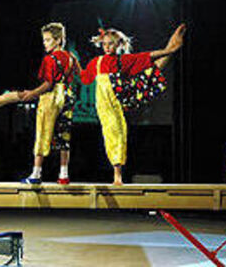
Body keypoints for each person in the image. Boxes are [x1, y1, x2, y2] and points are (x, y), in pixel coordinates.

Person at [79, 24, 186, 185]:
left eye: (111, 44)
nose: (107, 47)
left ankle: (171, 48)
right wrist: (73, 63)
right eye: (105, 44)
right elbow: (84, 78)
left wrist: (167, 51)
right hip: (106, 105)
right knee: (114, 133)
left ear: (118, 45)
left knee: (152, 70)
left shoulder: (123, 60)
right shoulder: (97, 62)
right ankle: (117, 175)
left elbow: (147, 57)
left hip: (124, 95)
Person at [21, 23, 80, 184]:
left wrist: (31, 94)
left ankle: (36, 173)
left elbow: (48, 84)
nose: (45, 43)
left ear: (58, 40)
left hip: (51, 97)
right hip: (67, 96)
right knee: (64, 136)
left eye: (47, 40)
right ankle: (63, 174)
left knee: (42, 132)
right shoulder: (70, 57)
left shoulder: (50, 59)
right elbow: (80, 76)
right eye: (44, 40)